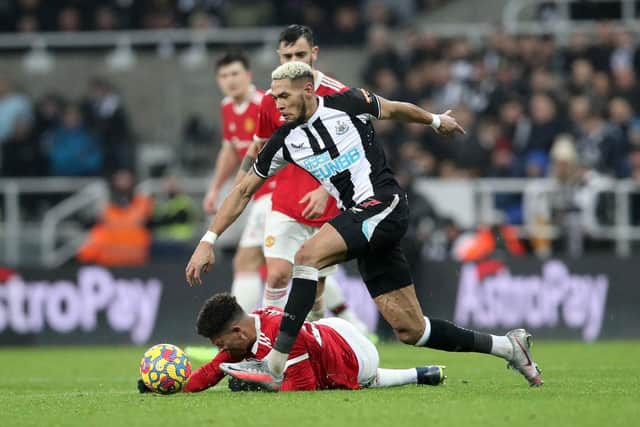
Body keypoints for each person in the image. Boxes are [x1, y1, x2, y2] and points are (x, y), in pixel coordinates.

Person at [185, 61, 543, 390]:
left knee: (306, 255)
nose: (277, 104)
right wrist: (209, 238)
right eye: (274, 97)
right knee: (411, 329)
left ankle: (275, 362)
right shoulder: (284, 140)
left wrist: (435, 120)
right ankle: (508, 347)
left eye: (284, 95)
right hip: (364, 224)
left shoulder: (346, 102)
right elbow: (244, 189)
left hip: (383, 204)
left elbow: (394, 108)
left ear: (308, 90)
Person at [240, 24, 367, 331]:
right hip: (285, 200)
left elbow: (361, 151)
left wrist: (327, 190)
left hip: (330, 204)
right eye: (286, 55)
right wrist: (238, 191)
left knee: (316, 293)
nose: (292, 60)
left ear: (314, 53)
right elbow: (259, 148)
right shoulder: (272, 99)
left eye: (299, 53)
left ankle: (316, 345)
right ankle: (265, 343)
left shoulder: (338, 95)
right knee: (277, 275)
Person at [146, 293, 445, 392]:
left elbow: (304, 387)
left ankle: (416, 374)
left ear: (237, 332)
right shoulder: (249, 333)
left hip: (358, 353)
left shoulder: (280, 334)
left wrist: (254, 384)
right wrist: (174, 387)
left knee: (363, 379)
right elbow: (214, 369)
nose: (219, 350)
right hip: (330, 330)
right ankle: (422, 374)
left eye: (219, 343)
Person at [201, 50, 273, 312]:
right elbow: (231, 150)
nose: (229, 80)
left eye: (235, 73)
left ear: (248, 75)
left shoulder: (266, 103)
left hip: (277, 193)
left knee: (245, 260)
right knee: (302, 263)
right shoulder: (227, 107)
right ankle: (350, 319)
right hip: (259, 195)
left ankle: (235, 329)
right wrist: (215, 189)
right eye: (223, 75)